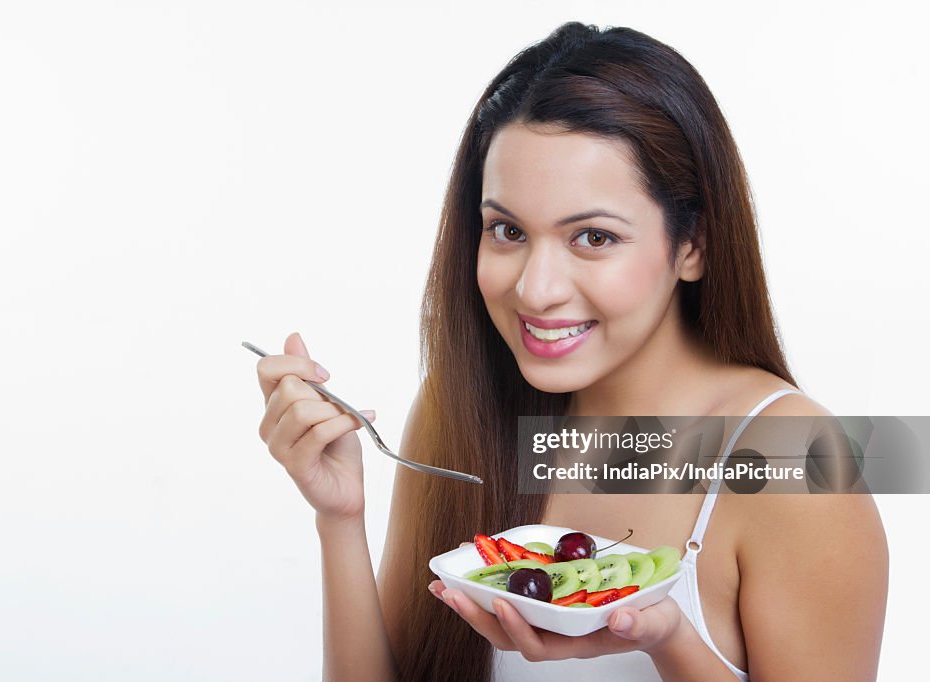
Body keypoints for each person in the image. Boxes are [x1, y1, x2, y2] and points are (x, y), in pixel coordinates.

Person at [254, 22, 887, 681]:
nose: (535, 288)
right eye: (506, 230)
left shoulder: (796, 461)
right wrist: (339, 518)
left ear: (693, 243)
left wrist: (669, 642)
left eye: (592, 237)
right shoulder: (460, 405)